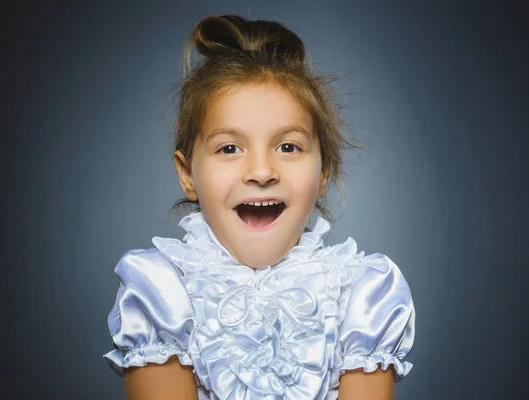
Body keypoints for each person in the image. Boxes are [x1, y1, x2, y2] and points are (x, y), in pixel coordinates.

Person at [103, 14, 415, 400]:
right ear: (187, 175)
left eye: (288, 147)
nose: (262, 171)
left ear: (324, 172)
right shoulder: (160, 294)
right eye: (229, 148)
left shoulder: (365, 299)